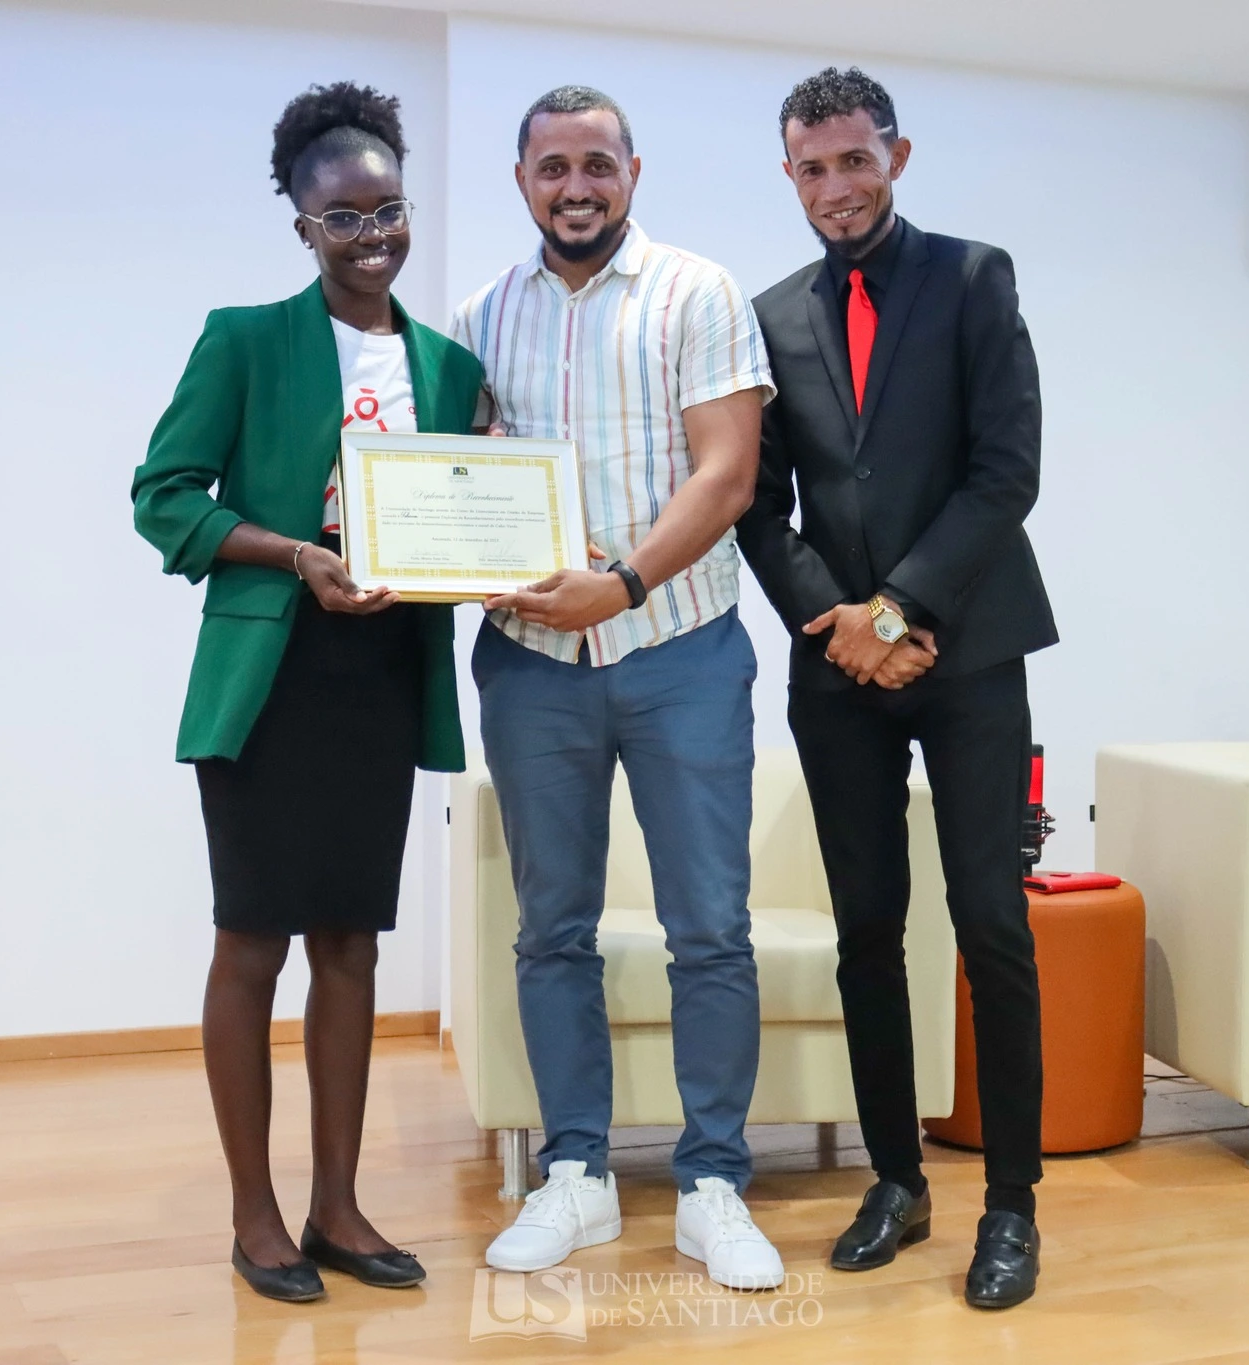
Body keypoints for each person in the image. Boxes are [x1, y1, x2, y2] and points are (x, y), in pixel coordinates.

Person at [130, 82, 483, 1304]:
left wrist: (490, 513)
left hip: (380, 677)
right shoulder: (244, 339)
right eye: (344, 216)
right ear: (303, 228)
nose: (373, 233)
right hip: (269, 673)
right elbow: (164, 494)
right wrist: (291, 553)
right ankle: (255, 1213)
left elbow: (460, 515)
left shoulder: (447, 366)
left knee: (349, 940)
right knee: (252, 938)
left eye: (390, 209)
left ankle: (337, 1203)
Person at [736, 67, 1058, 1311]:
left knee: (990, 922)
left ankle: (1012, 1207)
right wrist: (841, 625)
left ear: (895, 155)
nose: (835, 186)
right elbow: (763, 509)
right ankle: (895, 1182)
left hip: (967, 651)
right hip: (838, 669)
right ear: (790, 176)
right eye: (811, 169)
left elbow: (1004, 471)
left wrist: (899, 609)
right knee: (866, 928)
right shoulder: (769, 313)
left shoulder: (973, 277)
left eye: (853, 161)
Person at [450, 86, 782, 1290]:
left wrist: (623, 581)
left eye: (596, 163)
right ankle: (577, 1176)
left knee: (710, 932)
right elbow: (453, 479)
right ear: (522, 179)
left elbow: (727, 473)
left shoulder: (698, 293)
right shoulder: (478, 316)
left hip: (680, 647)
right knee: (550, 931)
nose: (574, 185)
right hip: (534, 665)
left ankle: (711, 1185)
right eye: (551, 167)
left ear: (631, 173)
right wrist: (455, 560)